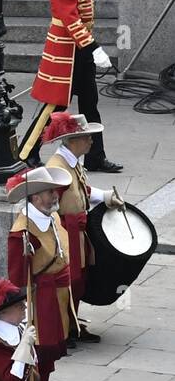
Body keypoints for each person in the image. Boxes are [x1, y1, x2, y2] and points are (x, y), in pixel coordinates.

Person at [18, 0, 122, 171]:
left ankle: (95, 156)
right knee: (54, 107)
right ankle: (27, 152)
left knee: (90, 105)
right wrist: (95, 47)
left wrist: (89, 48)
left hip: (80, 50)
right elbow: (70, 18)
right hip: (66, 51)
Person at [41, 112, 125, 343]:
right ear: (72, 140)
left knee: (78, 280)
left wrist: (106, 196)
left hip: (76, 230)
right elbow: (47, 204)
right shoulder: (57, 167)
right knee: (68, 281)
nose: (91, 141)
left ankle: (72, 324)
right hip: (66, 231)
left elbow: (81, 190)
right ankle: (63, 329)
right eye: (87, 137)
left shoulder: (71, 163)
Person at [4, 166, 73, 381]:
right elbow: (16, 277)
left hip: (56, 297)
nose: (54, 195)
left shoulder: (51, 216)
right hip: (38, 301)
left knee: (48, 360)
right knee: (36, 358)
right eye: (47, 192)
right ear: (34, 198)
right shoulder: (21, 232)